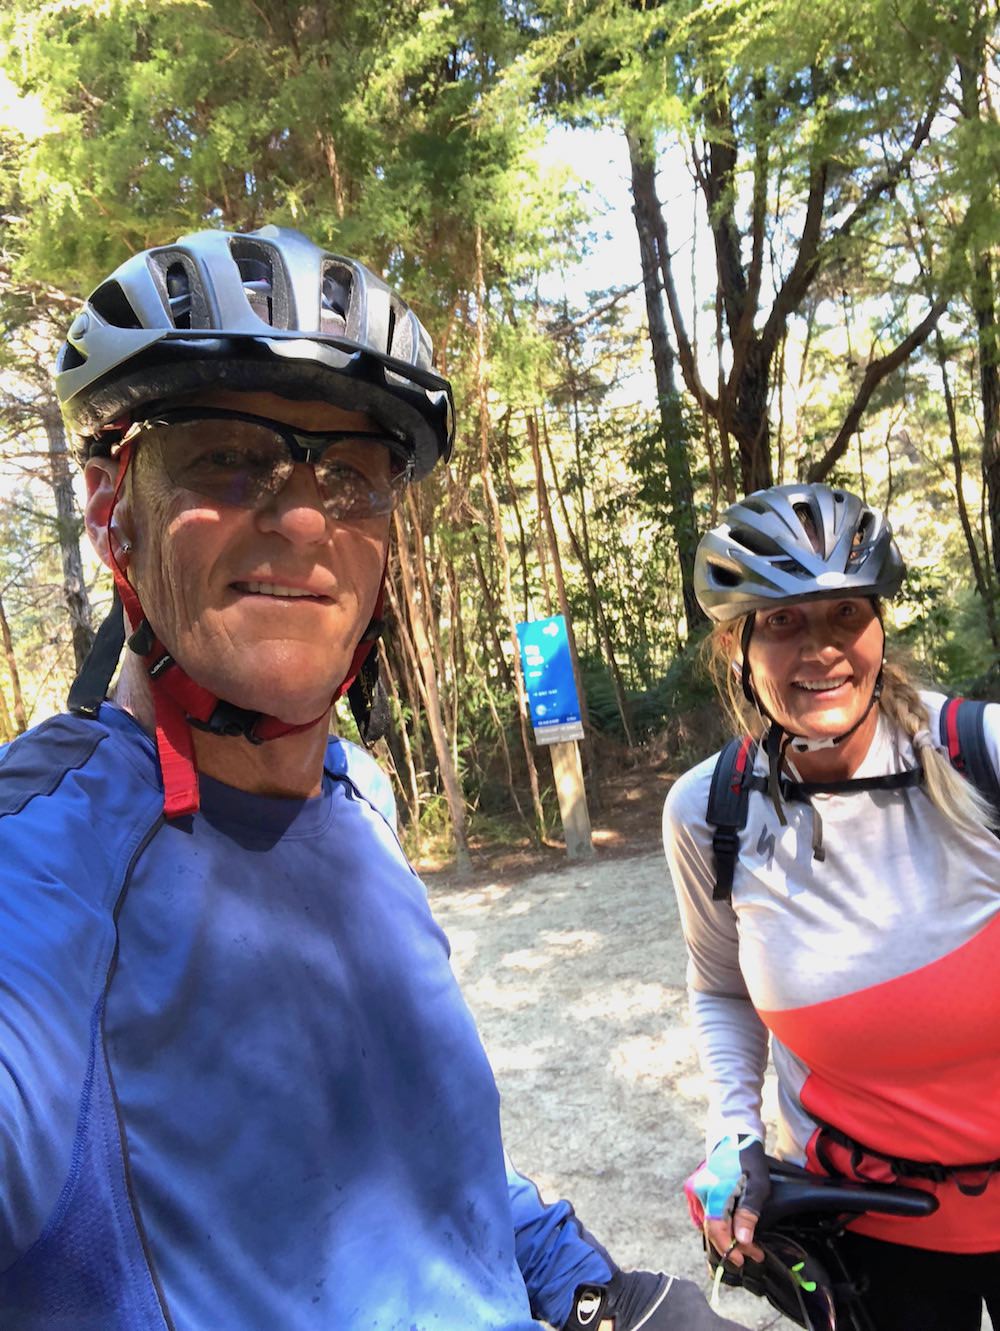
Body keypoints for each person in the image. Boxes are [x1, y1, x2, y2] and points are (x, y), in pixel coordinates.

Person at [0, 223, 748, 1331]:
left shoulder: (363, 799)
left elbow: (414, 1149)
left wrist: (587, 1286)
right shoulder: (38, 860)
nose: (306, 517)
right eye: (225, 456)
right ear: (114, 507)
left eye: (351, 473)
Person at [663, 482, 1000, 1331]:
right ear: (738, 647)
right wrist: (734, 1131)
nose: (821, 649)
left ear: (879, 625)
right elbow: (721, 986)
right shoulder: (710, 812)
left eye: (845, 612)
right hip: (870, 1223)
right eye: (783, 621)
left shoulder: (982, 755)